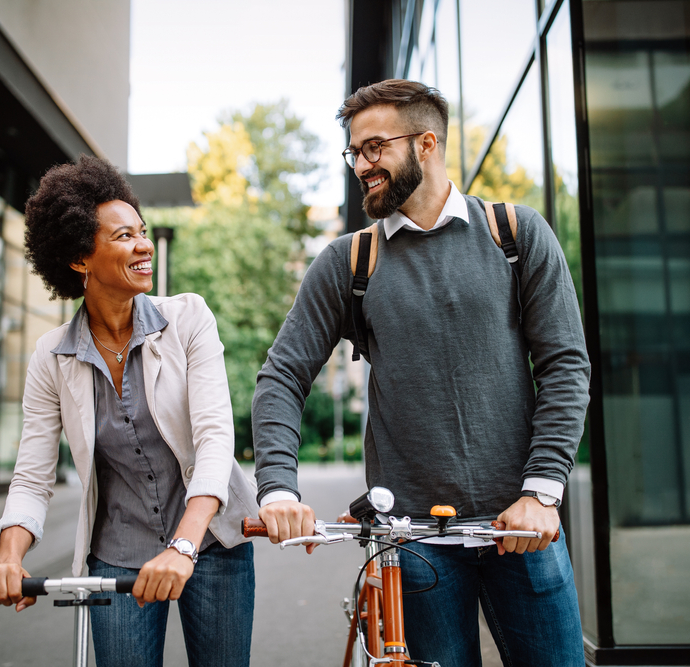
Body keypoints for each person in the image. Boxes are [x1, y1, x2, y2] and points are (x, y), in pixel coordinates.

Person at [252, 80, 590, 666]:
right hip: (413, 545)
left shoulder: (514, 233)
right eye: (355, 152)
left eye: (375, 147)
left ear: (426, 143)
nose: (362, 165)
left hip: (523, 527)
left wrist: (542, 491)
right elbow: (282, 376)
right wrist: (278, 486)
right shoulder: (349, 261)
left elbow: (565, 364)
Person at [0, 156, 259, 667]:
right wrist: (9, 557)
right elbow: (32, 475)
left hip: (212, 545)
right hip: (118, 557)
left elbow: (216, 439)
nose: (144, 245)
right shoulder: (51, 356)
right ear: (81, 259)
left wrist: (183, 548)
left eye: (143, 232)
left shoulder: (188, 319)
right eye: (124, 236)